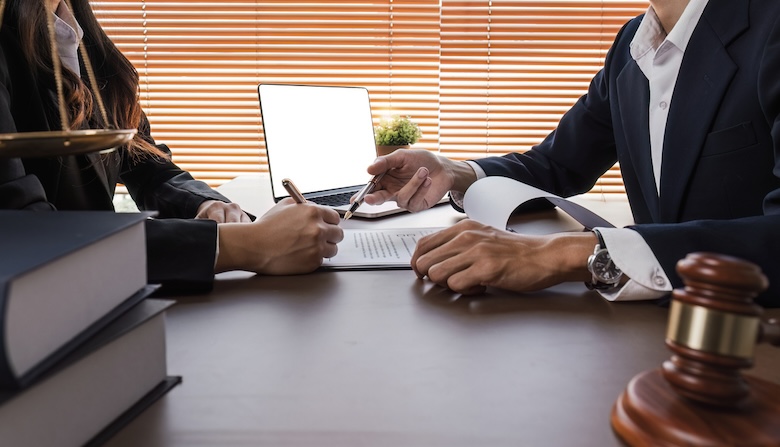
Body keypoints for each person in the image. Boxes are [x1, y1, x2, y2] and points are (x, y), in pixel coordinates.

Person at [361, 0, 780, 307]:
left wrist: (567, 254)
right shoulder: (631, 46)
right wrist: (453, 171)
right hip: (656, 332)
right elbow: (558, 163)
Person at [0, 0, 343, 293]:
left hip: (105, 310)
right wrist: (243, 246)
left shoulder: (79, 42)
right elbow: (27, 234)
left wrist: (205, 204)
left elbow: (147, 165)